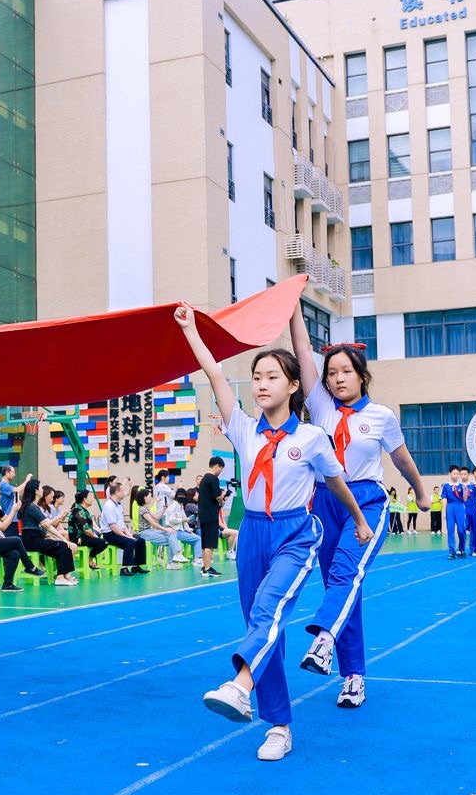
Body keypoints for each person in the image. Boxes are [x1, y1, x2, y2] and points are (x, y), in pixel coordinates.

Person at [178, 302, 372, 763]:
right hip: (252, 535)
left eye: (270, 377)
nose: (262, 384)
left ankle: (239, 685)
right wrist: (189, 329)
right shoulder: (243, 430)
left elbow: (337, 484)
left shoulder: (310, 438)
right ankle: (279, 726)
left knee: (268, 610)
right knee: (263, 627)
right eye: (257, 377)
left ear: (292, 385)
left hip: (295, 535)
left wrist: (360, 520)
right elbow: (215, 375)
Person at [290, 316, 428, 707]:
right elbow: (302, 350)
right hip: (324, 502)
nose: (337, 379)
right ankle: (353, 678)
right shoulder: (319, 404)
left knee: (346, 573)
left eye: (345, 372)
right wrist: (293, 312)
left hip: (366, 500)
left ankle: (323, 640)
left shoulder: (381, 416)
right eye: (331, 373)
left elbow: (401, 459)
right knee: (343, 586)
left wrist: (420, 493)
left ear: (361, 376)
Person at [0, 482, 45, 591]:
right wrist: (13, 511)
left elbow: (5, 519)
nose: (0, 497)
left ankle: (7, 584)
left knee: (14, 554)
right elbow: (4, 527)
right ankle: (29, 566)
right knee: (16, 540)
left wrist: (14, 511)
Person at [17, 479, 80, 586]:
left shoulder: (31, 506)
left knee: (62, 546)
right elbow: (47, 525)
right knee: (64, 546)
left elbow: (47, 526)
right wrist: (64, 539)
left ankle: (64, 576)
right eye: (40, 488)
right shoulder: (32, 507)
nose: (42, 490)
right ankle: (60, 577)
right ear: (36, 491)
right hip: (32, 540)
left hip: (34, 539)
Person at [98, 479, 149, 576]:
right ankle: (124, 568)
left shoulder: (119, 505)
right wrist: (126, 537)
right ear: (117, 493)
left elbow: (122, 524)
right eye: (122, 491)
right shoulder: (109, 506)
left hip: (120, 532)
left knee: (140, 540)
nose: (124, 493)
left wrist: (129, 534)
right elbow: (113, 526)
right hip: (110, 535)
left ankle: (136, 566)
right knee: (129, 542)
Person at [196, 457, 226, 577]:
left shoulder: (204, 479)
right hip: (210, 514)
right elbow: (217, 497)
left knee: (205, 542)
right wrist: (222, 499)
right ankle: (208, 568)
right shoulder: (213, 479)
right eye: (221, 469)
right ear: (217, 466)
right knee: (210, 543)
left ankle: (204, 566)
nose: (220, 472)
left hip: (203, 514)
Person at [66, 488, 110, 569]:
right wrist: (96, 537)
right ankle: (90, 559)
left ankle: (90, 558)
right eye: (91, 497)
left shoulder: (84, 511)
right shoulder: (79, 511)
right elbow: (87, 531)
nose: (93, 499)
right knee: (104, 542)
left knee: (102, 541)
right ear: (84, 499)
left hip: (84, 537)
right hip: (78, 538)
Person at [441, 467, 471, 560]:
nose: (456, 475)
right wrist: (444, 511)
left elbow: (465, 499)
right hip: (450, 507)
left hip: (460, 507)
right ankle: (452, 552)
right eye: (454, 473)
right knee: (450, 530)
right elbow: (444, 499)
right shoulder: (446, 486)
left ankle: (461, 549)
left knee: (461, 530)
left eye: (458, 474)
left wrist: (465, 490)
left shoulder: (462, 485)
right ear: (449, 474)